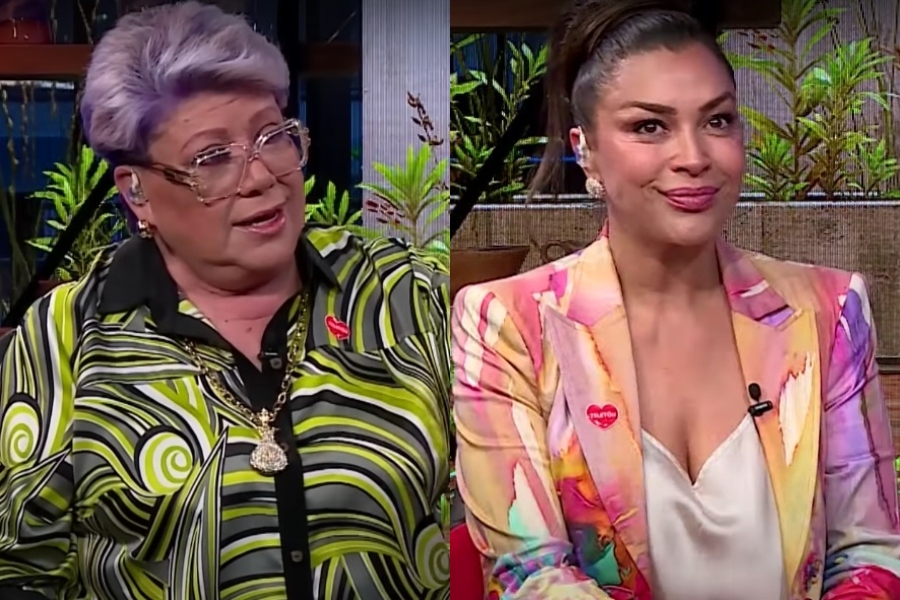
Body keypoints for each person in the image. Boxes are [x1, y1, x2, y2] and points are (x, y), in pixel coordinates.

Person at [0, 2, 450, 599]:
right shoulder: (69, 333)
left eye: (273, 137)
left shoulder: (399, 289)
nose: (261, 177)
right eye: (212, 158)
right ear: (138, 191)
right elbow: (22, 570)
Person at [451, 0, 900, 598]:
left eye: (718, 121)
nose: (694, 157)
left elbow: (869, 552)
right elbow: (528, 574)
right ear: (586, 150)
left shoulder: (829, 309)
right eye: (649, 127)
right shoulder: (509, 323)